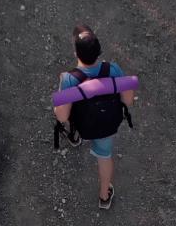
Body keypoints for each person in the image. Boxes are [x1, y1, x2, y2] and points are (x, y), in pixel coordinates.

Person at [54, 25, 134, 210]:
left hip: (83, 125)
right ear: (99, 51)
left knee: (64, 113)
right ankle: (104, 196)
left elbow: (62, 115)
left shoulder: (69, 79)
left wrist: (62, 90)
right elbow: (128, 101)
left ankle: (74, 137)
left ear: (75, 52)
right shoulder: (113, 69)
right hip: (106, 126)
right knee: (104, 157)